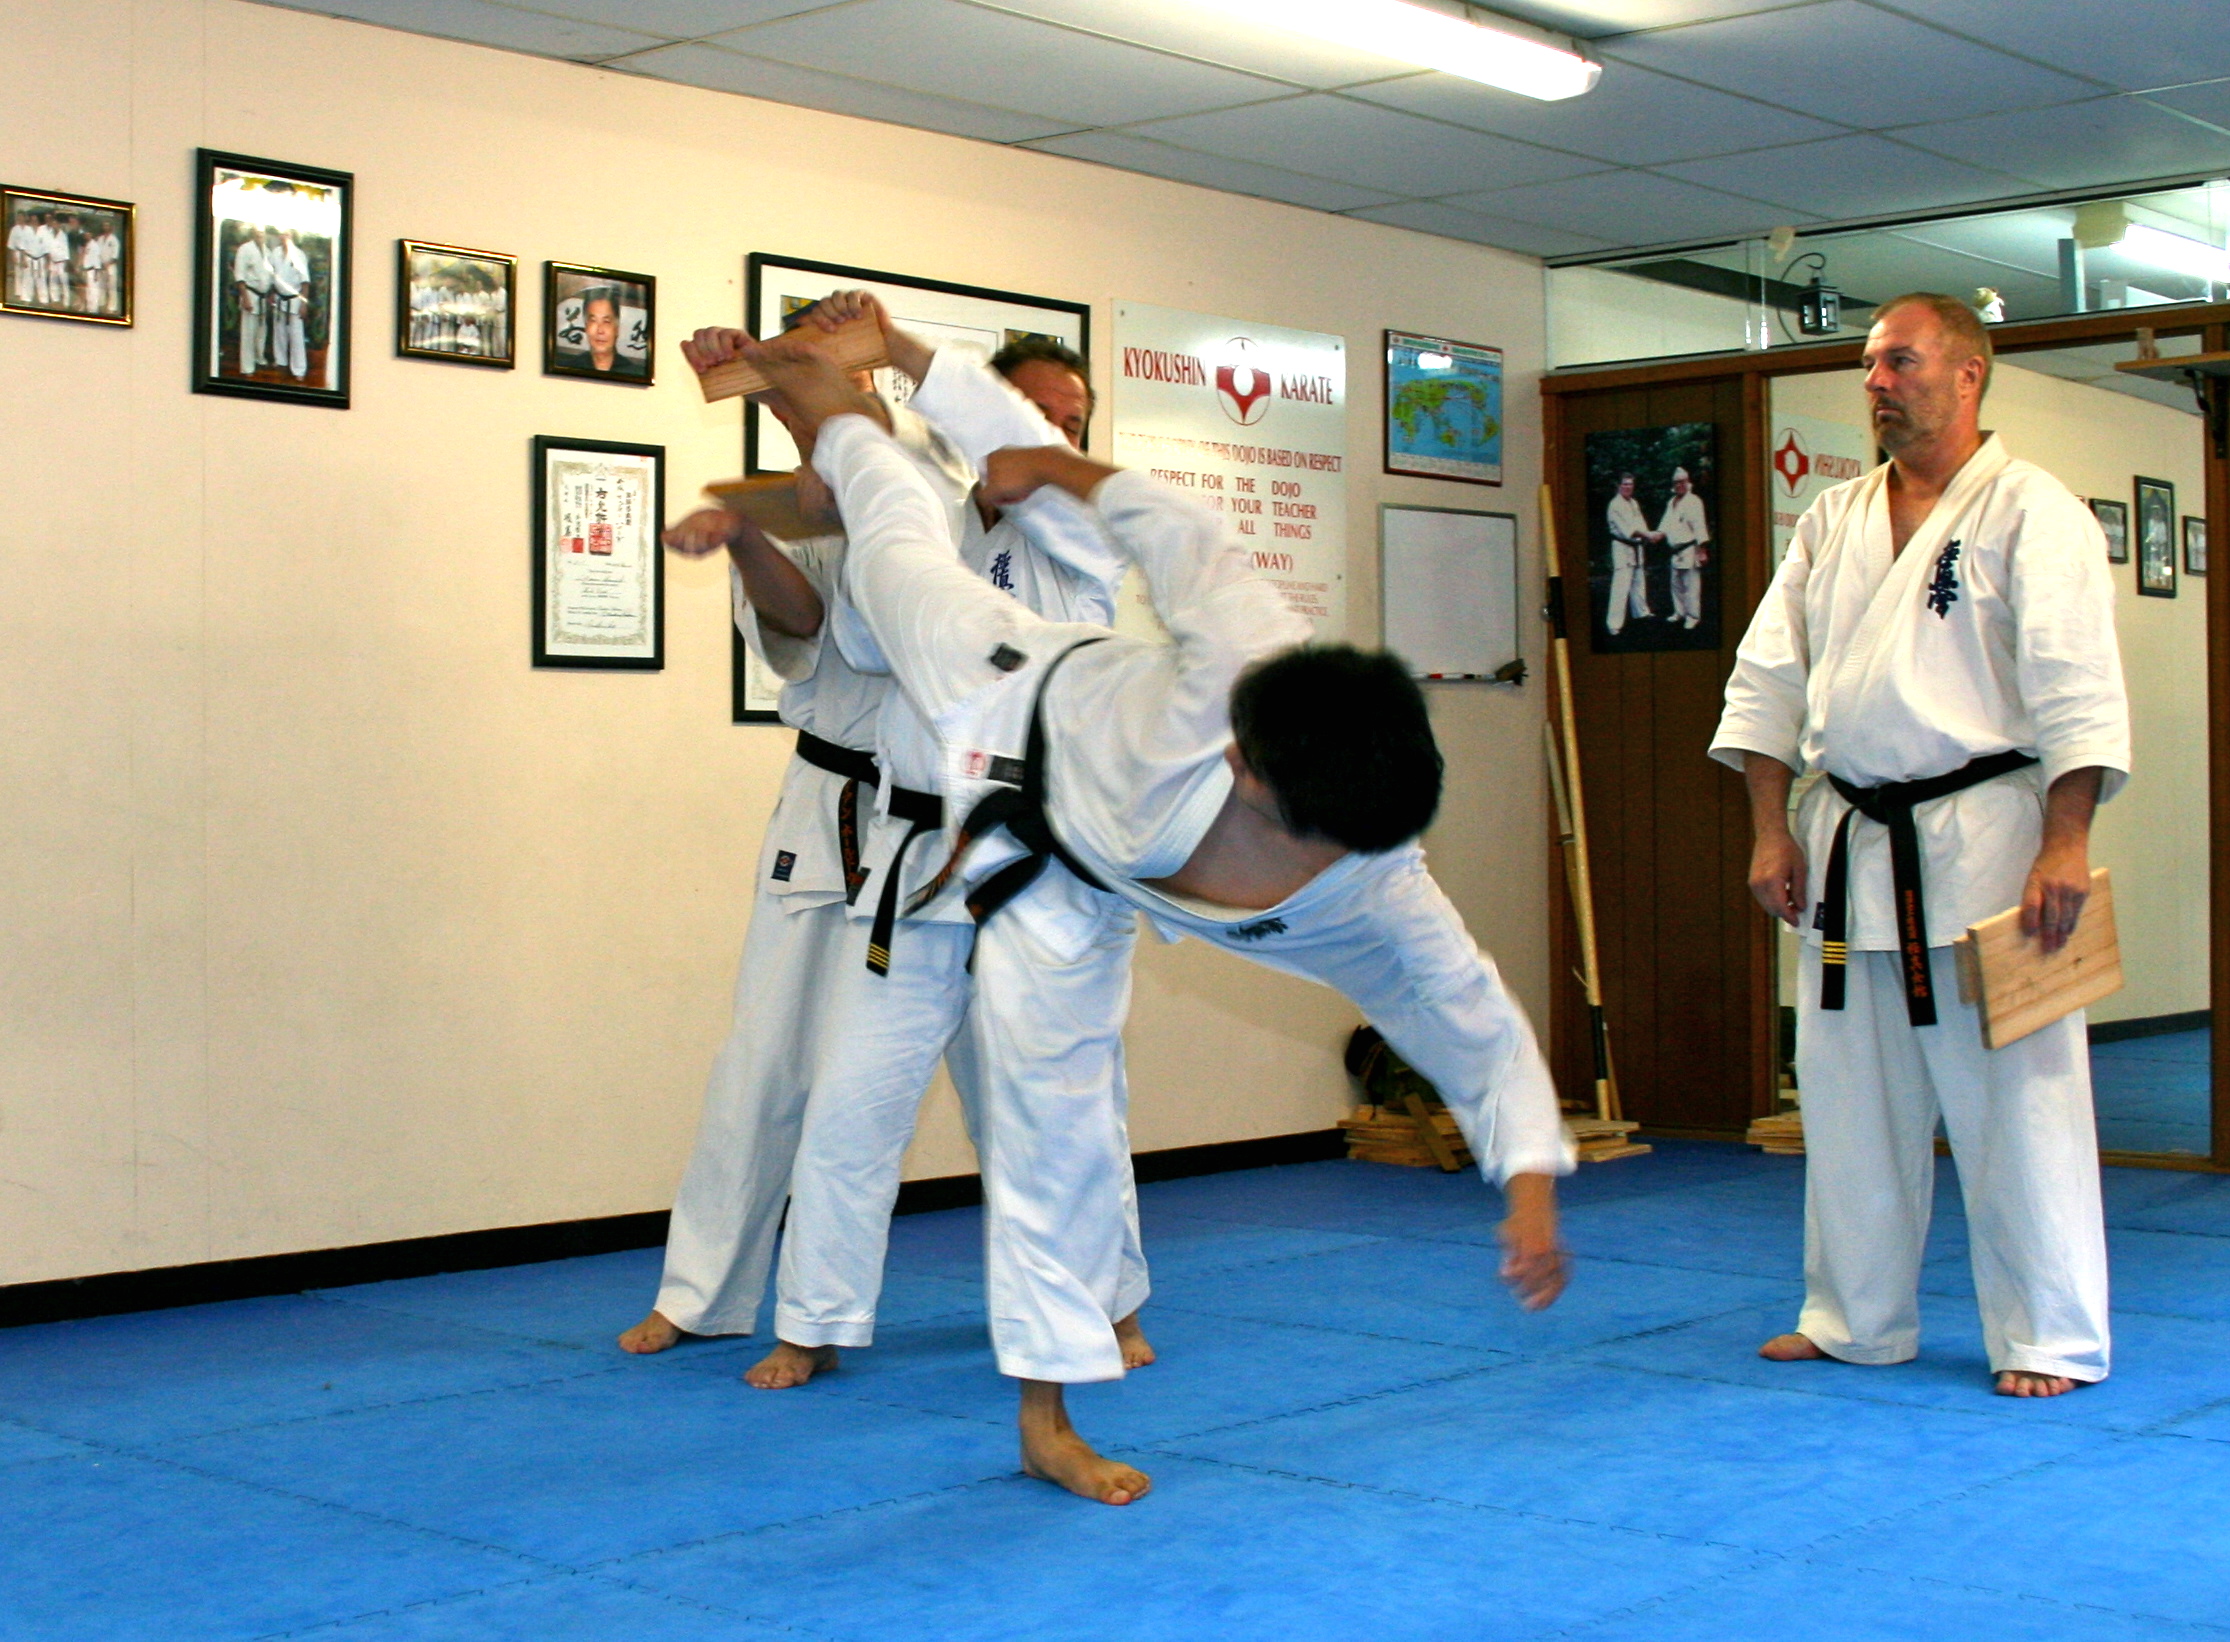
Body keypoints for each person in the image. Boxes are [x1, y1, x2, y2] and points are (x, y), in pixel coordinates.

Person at [740, 324, 1573, 1505]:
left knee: (1057, 1123)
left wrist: (1529, 1192)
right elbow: (1170, 525)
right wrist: (1047, 462)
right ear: (1248, 754)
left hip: (1058, 882)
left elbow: (1476, 1027)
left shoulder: (1379, 890)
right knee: (895, 549)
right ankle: (841, 393)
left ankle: (1046, 1419)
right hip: (1013, 693)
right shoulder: (1248, 653)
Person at [619, 313, 1151, 1398]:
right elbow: (856, 603)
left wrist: (852, 377)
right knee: (845, 1103)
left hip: (1043, 860)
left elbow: (898, 468)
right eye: (1035, 413)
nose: (1053, 434)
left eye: (1071, 421)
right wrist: (786, 395)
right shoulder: (918, 522)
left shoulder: (1089, 531)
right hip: (911, 855)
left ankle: (1109, 1301)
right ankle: (813, 1318)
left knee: (1061, 1102)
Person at [1710, 291, 2130, 1399]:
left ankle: (2047, 1334)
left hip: (1990, 843)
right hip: (1849, 845)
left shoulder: (2033, 511)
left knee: (2019, 1103)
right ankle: (1853, 1316)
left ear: (1968, 373)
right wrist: (1769, 829)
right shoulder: (1832, 518)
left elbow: (2077, 692)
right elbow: (1767, 682)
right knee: (1849, 1100)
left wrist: (2065, 844)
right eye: (1869, 366)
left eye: (1900, 361)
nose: (1877, 384)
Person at [1659, 466, 1711, 631]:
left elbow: (1699, 527)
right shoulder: (1671, 502)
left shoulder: (1694, 501)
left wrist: (1702, 551)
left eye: (1682, 482)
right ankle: (1679, 612)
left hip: (1689, 549)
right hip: (1675, 551)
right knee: (1676, 584)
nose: (1679, 485)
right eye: (1676, 482)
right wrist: (1654, 535)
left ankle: (1692, 616)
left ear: (1688, 482)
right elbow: (1665, 525)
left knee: (1691, 586)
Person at [1603, 473, 1649, 634]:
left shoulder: (1633, 503)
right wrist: (1649, 535)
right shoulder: (1615, 505)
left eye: (1630, 484)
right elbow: (1627, 531)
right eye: (1625, 484)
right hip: (1622, 547)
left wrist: (1647, 534)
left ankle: (1641, 613)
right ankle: (1614, 624)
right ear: (1618, 486)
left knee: (1639, 583)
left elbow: (1641, 525)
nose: (1628, 487)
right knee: (1621, 587)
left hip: (1636, 547)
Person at [267, 227, 310, 380]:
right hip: (279, 298)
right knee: (279, 332)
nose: (284, 237)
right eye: (282, 234)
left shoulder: (299, 255)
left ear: (292, 236)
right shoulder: (275, 253)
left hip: (295, 299)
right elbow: (271, 274)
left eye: (287, 234)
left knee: (296, 335)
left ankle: (299, 369)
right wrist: (272, 292)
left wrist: (304, 304)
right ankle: (281, 361)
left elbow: (305, 282)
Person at [232, 224, 273, 375]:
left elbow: (270, 275)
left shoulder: (267, 251)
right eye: (257, 231)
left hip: (263, 297)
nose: (260, 234)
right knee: (248, 333)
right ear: (252, 232)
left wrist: (270, 295)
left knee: (261, 332)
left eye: (263, 232)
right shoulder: (245, 249)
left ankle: (259, 357)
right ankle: (247, 367)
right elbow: (240, 275)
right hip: (250, 294)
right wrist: (245, 298)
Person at [582, 288, 622, 373]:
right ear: (586, 326)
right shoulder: (569, 368)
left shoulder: (634, 373)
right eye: (593, 321)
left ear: (617, 329)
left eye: (606, 321)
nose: (600, 330)